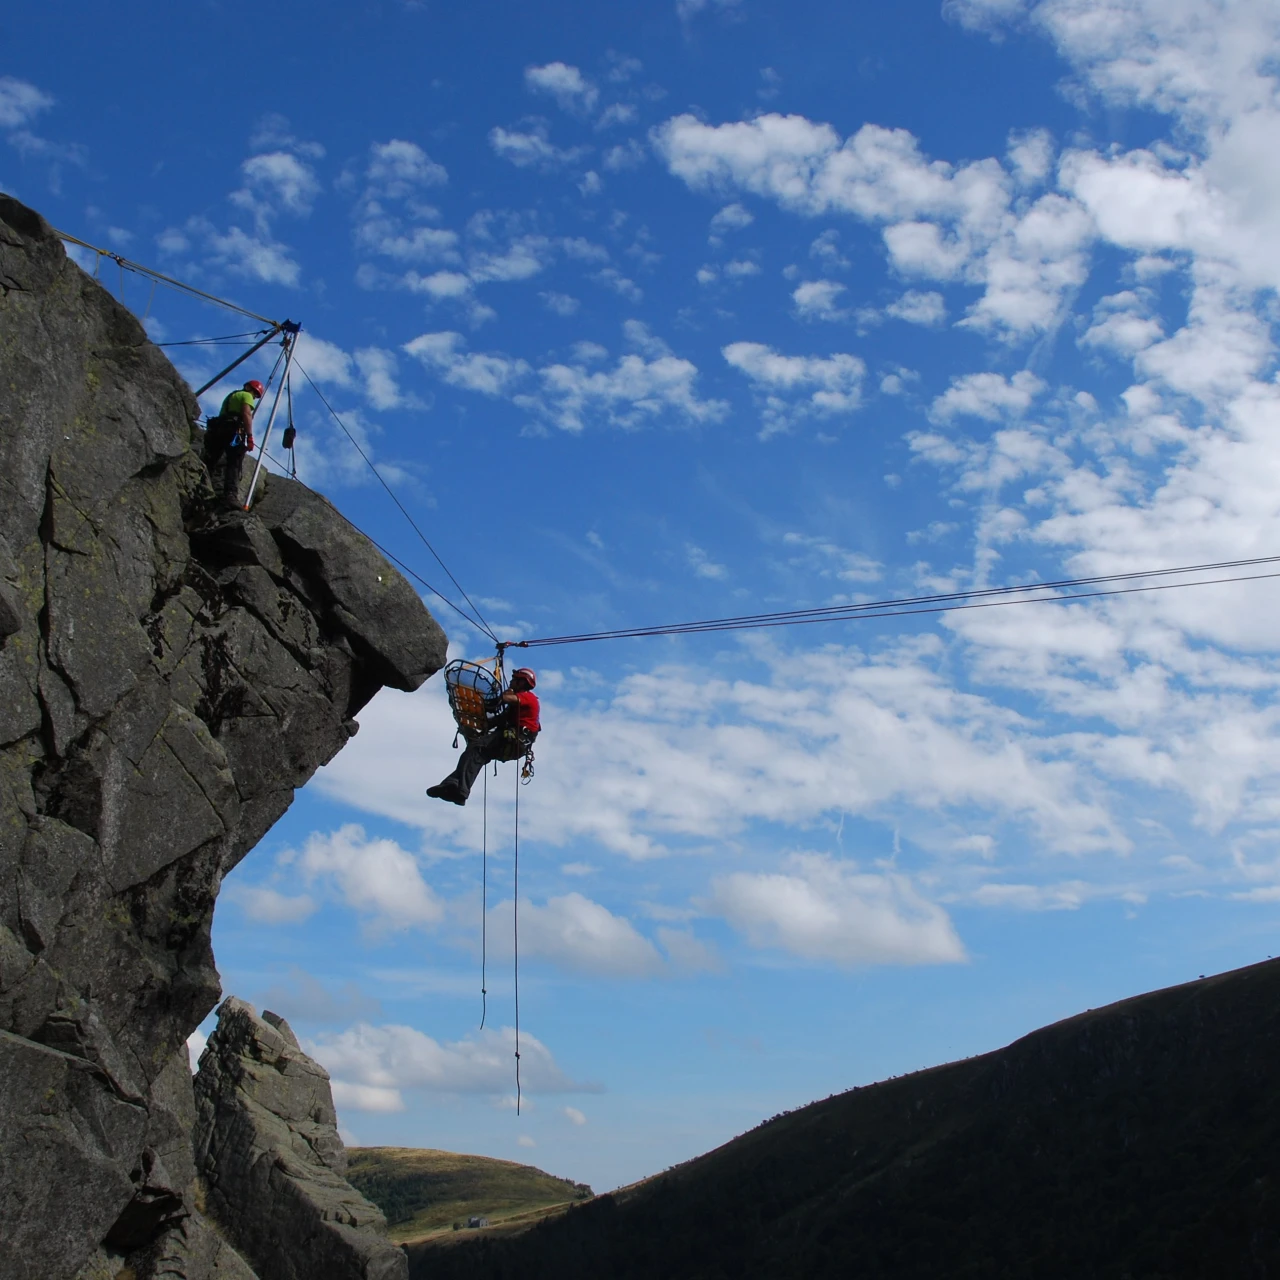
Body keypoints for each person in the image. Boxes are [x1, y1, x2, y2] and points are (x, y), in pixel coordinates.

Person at [428, 668, 540, 806]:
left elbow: (505, 698)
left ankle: (460, 789)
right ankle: (454, 788)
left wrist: (507, 692)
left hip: (514, 739)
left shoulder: (528, 697)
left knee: (476, 747)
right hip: (512, 742)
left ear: (521, 682)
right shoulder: (513, 709)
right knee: (477, 756)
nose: (510, 681)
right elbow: (494, 721)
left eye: (514, 679)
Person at [203, 379, 264, 505]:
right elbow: (246, 414)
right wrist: (250, 437)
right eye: (255, 394)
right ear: (251, 390)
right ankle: (230, 495)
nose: (253, 397)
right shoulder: (247, 396)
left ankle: (203, 483)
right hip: (233, 431)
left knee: (213, 458)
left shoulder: (232, 396)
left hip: (218, 428)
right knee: (234, 462)